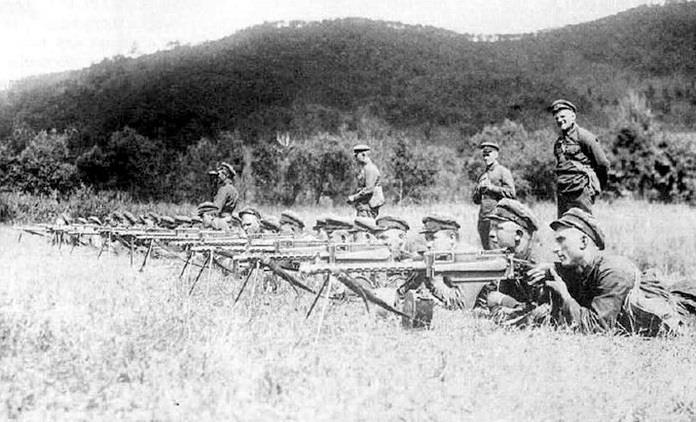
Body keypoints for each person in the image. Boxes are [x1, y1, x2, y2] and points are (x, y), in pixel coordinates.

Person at [527, 208, 689, 335]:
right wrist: (552, 269)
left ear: (583, 242)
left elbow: (596, 328)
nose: (555, 249)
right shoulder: (582, 268)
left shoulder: (613, 272)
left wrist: (564, 295)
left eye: (561, 240)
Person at [550, 99, 610, 218]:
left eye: (563, 116)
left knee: (583, 224)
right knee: (563, 225)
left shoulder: (585, 137)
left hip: (581, 191)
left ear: (573, 117)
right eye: (557, 118)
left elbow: (602, 163)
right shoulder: (558, 143)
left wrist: (598, 185)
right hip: (563, 191)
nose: (560, 120)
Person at [472, 141, 515, 250]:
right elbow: (476, 200)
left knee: (496, 250)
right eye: (484, 155)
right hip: (483, 218)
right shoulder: (483, 175)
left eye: (488, 154)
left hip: (497, 217)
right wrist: (478, 190)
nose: (486, 158)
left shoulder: (503, 171)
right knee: (486, 250)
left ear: (496, 155)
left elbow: (511, 193)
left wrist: (492, 188)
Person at [347, 144, 384, 218]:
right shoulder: (365, 168)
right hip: (364, 206)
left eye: (356, 155)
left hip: (368, 208)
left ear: (363, 155)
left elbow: (369, 190)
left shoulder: (370, 169)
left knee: (364, 224)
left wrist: (354, 197)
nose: (355, 158)